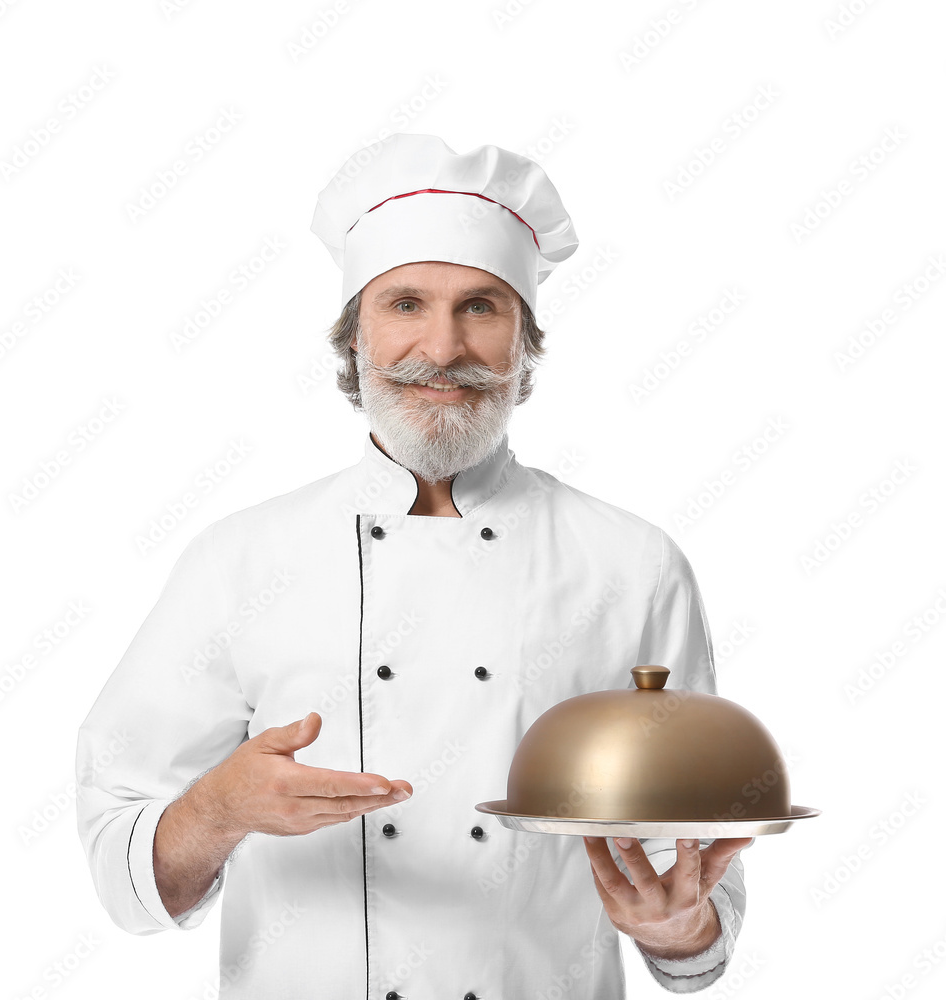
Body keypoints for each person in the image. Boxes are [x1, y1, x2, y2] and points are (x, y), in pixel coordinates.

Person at [76, 133, 753, 998]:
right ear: (353, 335)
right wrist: (218, 809)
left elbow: (694, 870)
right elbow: (123, 876)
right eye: (404, 304)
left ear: (525, 343)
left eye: (480, 306)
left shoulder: (632, 562)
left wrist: (675, 926)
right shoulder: (239, 560)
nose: (441, 349)